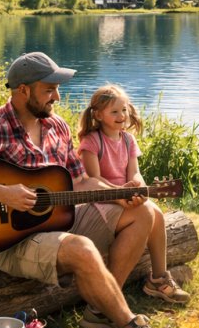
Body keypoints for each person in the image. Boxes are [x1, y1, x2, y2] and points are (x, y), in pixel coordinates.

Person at [0, 51, 165, 328]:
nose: (56, 96)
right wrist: (3, 193)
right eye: (48, 88)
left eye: (57, 88)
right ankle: (130, 325)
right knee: (81, 249)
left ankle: (100, 311)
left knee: (142, 211)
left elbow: (80, 181)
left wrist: (115, 192)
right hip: (11, 240)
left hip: (58, 221)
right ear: (23, 90)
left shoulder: (57, 126)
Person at [77, 83, 189, 305]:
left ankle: (158, 278)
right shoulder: (92, 142)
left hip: (126, 196)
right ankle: (110, 295)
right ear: (98, 115)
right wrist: (119, 192)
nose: (122, 116)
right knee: (146, 211)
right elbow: (94, 180)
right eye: (114, 111)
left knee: (156, 212)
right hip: (102, 199)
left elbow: (135, 173)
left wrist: (138, 185)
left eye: (124, 110)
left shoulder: (128, 140)